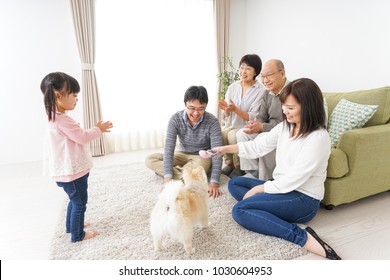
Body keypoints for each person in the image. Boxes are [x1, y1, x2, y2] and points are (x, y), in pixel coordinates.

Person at [211, 78, 341, 260]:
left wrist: (261, 188)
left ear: (308, 107)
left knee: (239, 211)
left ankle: (302, 236)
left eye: (291, 107)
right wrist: (225, 149)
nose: (284, 111)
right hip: (281, 188)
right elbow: (257, 146)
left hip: (303, 198)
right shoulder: (285, 127)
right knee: (235, 183)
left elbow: (296, 178)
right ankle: (267, 210)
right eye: (284, 106)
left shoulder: (318, 138)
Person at [41, 72, 113, 242]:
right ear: (58, 96)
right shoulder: (63, 121)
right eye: (73, 95)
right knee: (80, 203)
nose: (76, 99)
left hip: (66, 172)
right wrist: (98, 130)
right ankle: (77, 234)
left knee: (73, 200)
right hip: (73, 173)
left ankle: (71, 226)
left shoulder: (54, 117)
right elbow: (81, 136)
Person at [145, 85, 223, 198]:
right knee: (150, 159)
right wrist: (168, 179)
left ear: (205, 106)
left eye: (201, 109)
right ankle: (187, 175)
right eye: (192, 108)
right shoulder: (175, 119)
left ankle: (184, 173)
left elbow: (217, 153)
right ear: (185, 104)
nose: (196, 113)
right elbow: (169, 148)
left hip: (201, 157)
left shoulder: (213, 121)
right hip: (181, 154)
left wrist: (214, 182)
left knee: (203, 165)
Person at [236, 59, 289, 180]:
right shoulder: (267, 93)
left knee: (263, 138)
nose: (265, 80)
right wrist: (255, 124)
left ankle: (265, 178)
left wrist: (262, 127)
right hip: (268, 129)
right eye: (263, 76)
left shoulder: (293, 91)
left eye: (269, 75)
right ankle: (253, 171)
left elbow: (289, 124)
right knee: (242, 133)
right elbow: (261, 116)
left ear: (282, 73)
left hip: (284, 132)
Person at [218, 54, 266, 178]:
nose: (243, 71)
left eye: (248, 68)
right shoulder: (232, 87)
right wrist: (226, 110)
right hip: (231, 124)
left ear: (256, 72)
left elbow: (253, 116)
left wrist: (236, 109)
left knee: (233, 135)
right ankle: (230, 164)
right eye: (242, 67)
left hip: (246, 127)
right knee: (222, 132)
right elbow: (226, 115)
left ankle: (239, 167)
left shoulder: (261, 91)